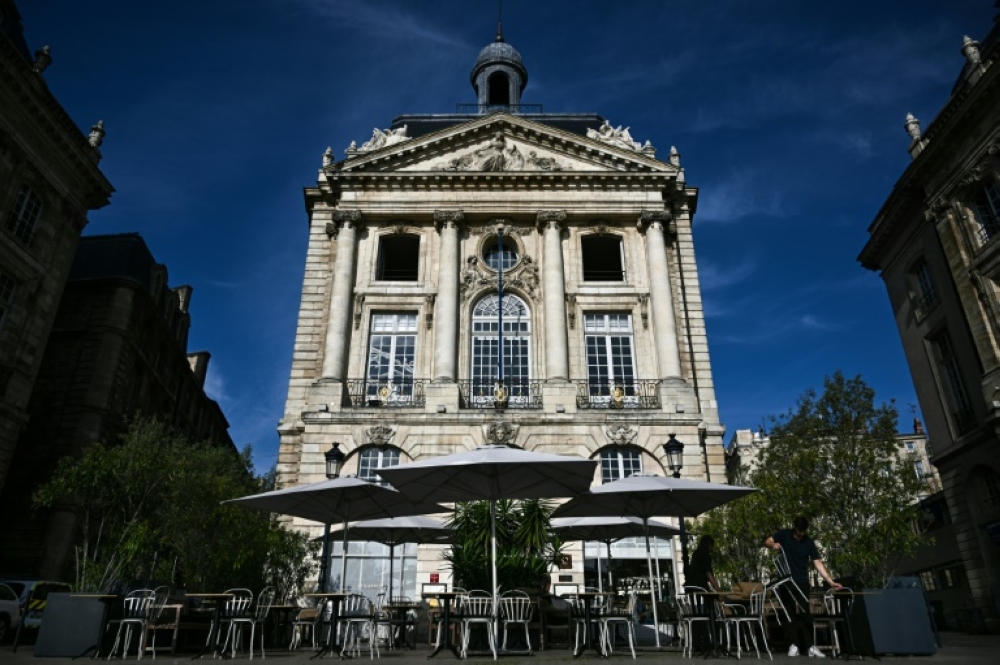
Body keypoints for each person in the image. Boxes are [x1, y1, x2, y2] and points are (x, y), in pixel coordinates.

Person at [764, 516, 843, 658]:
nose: (800, 533)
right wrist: (773, 545)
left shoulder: (809, 543)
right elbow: (768, 541)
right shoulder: (784, 534)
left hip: (802, 581)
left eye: (803, 531)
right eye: (798, 530)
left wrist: (830, 581)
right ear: (794, 527)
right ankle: (793, 645)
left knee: (806, 612)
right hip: (786, 580)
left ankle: (810, 646)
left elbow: (817, 562)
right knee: (790, 613)